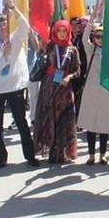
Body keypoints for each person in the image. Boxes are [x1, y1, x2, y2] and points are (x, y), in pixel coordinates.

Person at [0, 5, 39, 168]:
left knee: (21, 123)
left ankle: (30, 156)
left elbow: (25, 25)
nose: (3, 28)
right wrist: (5, 54)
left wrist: (14, 8)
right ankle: (1, 157)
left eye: (4, 24)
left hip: (15, 88)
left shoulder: (15, 38)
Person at [34, 20, 81, 164]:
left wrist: (68, 77)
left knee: (64, 120)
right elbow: (41, 61)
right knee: (50, 119)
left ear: (68, 32)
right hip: (49, 87)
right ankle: (52, 153)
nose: (61, 34)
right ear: (55, 32)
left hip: (65, 90)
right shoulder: (49, 46)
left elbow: (78, 71)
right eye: (59, 31)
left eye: (64, 31)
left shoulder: (73, 50)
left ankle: (63, 152)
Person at [78, 22, 109, 165]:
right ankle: (91, 155)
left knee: (104, 124)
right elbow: (84, 39)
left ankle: (102, 154)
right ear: (94, 37)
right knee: (91, 124)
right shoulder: (90, 50)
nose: (100, 39)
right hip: (91, 90)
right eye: (98, 36)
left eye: (103, 37)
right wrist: (91, 21)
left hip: (106, 91)